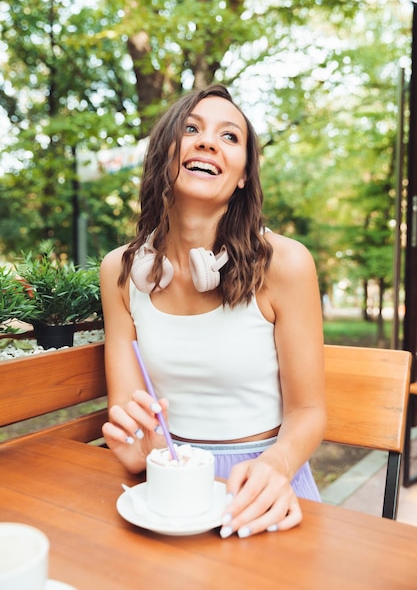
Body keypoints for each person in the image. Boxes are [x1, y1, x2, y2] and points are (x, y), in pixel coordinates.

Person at [100, 83, 326, 539]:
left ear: (243, 174)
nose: (207, 141)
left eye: (229, 136)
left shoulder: (287, 263)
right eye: (190, 128)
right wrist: (140, 447)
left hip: (264, 480)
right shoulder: (119, 271)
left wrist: (276, 465)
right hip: (168, 480)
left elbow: (310, 410)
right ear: (166, 153)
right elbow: (129, 413)